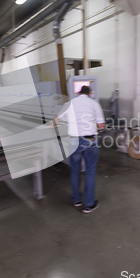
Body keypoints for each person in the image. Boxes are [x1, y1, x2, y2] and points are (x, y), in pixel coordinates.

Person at [55, 85, 105, 213]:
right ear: (90, 94)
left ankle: (77, 200)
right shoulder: (94, 104)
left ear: (78, 93)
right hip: (89, 140)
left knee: (75, 170)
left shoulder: (69, 103)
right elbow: (101, 125)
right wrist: (96, 128)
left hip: (73, 140)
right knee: (90, 172)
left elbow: (56, 120)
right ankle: (89, 204)